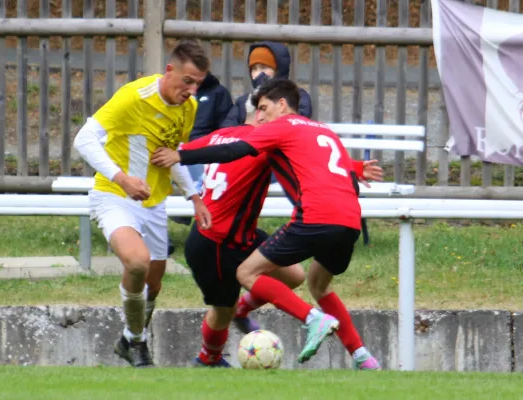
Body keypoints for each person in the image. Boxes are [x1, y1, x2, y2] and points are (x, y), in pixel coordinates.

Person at [151, 78, 382, 370]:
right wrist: (357, 168)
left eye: (265, 109)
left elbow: (230, 150)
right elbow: (326, 164)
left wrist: (178, 154)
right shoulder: (323, 130)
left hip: (237, 233)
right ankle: (364, 358)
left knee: (245, 284)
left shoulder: (263, 135)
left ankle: (306, 320)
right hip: (346, 222)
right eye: (258, 110)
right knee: (309, 282)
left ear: (281, 105)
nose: (262, 116)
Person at [73, 39, 212, 368]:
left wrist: (193, 196)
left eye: (198, 84)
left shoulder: (188, 108)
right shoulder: (133, 96)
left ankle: (130, 339)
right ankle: (137, 344)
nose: (191, 90)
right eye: (187, 81)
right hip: (114, 195)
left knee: (153, 282)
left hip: (154, 203)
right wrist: (122, 178)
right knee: (137, 262)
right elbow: (84, 139)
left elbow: (171, 155)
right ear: (169, 70)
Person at [183, 97, 305, 367]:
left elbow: (184, 152)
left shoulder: (221, 135)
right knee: (221, 311)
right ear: (260, 115)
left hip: (244, 235)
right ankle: (208, 360)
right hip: (214, 242)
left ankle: (242, 309)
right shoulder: (262, 144)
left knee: (294, 275)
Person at [168, 70, 233, 231]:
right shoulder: (175, 93)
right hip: (174, 148)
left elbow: (226, 129)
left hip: (204, 152)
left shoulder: (218, 93)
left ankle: (204, 226)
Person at [220, 41, 312, 127]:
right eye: (254, 69)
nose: (258, 74)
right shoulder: (243, 101)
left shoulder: (297, 96)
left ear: (278, 70)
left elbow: (298, 123)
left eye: (264, 68)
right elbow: (226, 131)